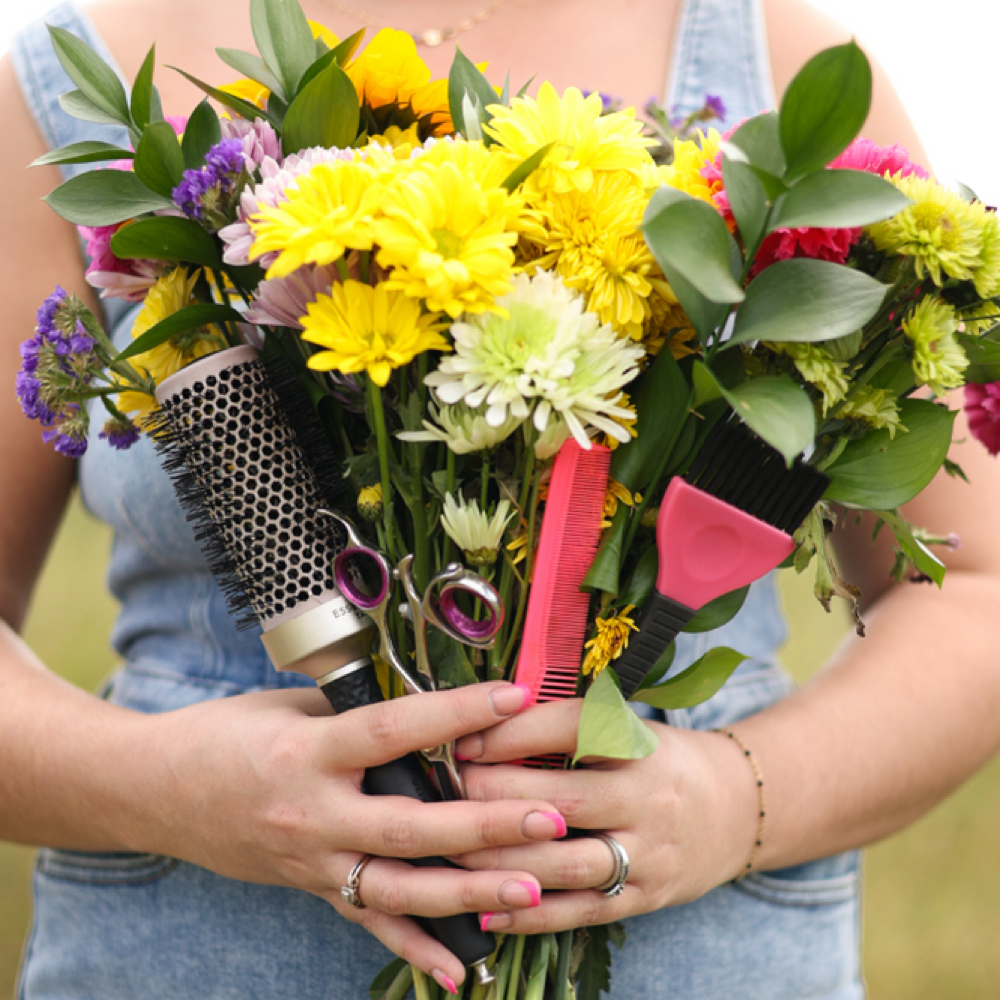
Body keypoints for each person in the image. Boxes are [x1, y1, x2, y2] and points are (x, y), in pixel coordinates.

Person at [3, 0, 1000, 997]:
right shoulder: (60, 88)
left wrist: (733, 799)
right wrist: (159, 789)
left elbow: (974, 590)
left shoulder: (777, 54)